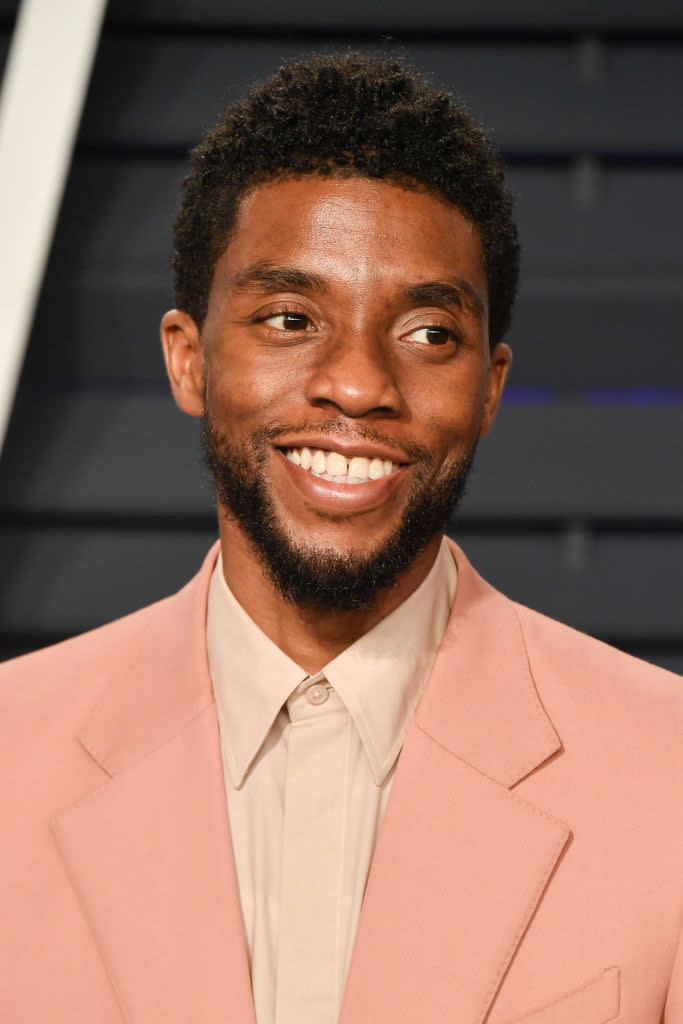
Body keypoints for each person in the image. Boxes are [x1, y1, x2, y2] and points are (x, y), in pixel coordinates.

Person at [0, 52, 681, 1024]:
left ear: (489, 388)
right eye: (288, 318)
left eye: (426, 334)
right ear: (189, 361)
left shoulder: (670, 775)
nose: (357, 384)